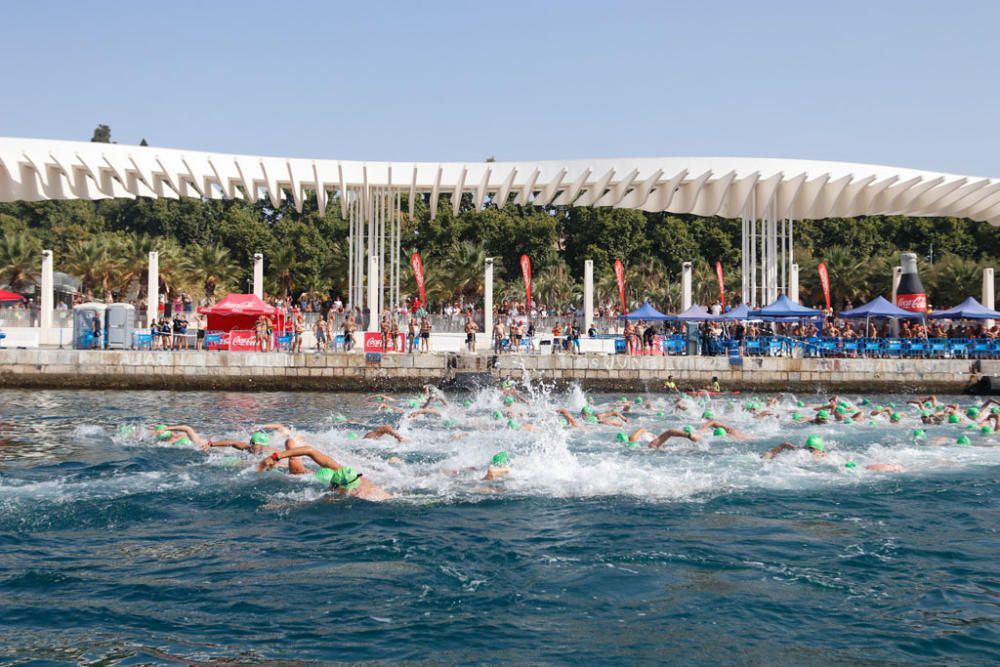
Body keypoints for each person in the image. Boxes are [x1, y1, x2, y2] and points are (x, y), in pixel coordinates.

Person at [258, 447, 391, 501]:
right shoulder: (351, 478)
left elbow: (311, 502)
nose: (330, 488)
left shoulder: (361, 496)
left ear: (344, 487)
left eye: (333, 486)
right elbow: (310, 451)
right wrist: (276, 456)